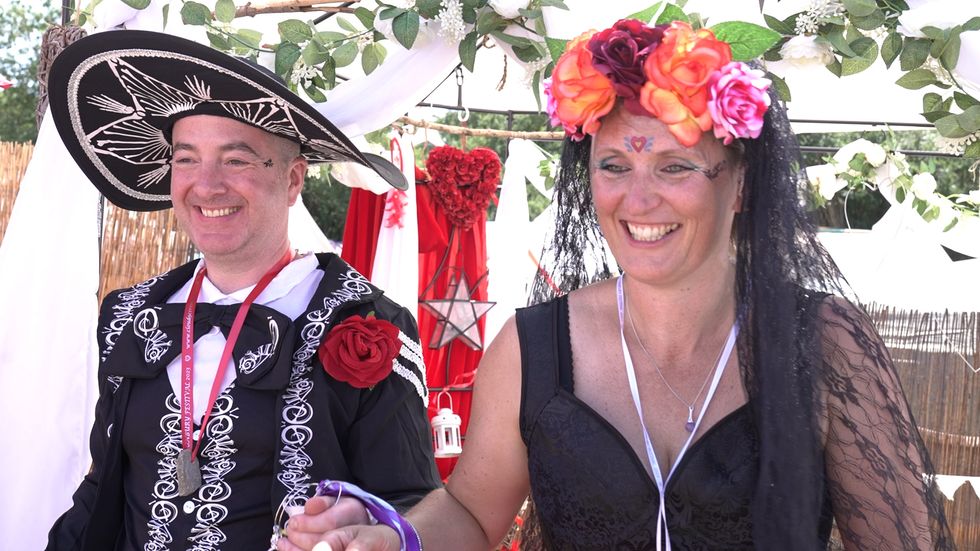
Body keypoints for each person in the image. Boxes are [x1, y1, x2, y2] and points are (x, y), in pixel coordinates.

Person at [281, 18, 954, 551]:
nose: (638, 200)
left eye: (675, 167)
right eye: (613, 165)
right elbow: (470, 514)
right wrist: (390, 534)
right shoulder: (533, 344)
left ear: (742, 183)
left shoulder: (824, 343)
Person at [44, 30, 441, 550]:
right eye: (186, 159)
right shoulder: (129, 315)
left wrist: (364, 524)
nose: (206, 185)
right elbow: (104, 489)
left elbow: (413, 503)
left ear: (294, 179)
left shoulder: (365, 326)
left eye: (236, 160)